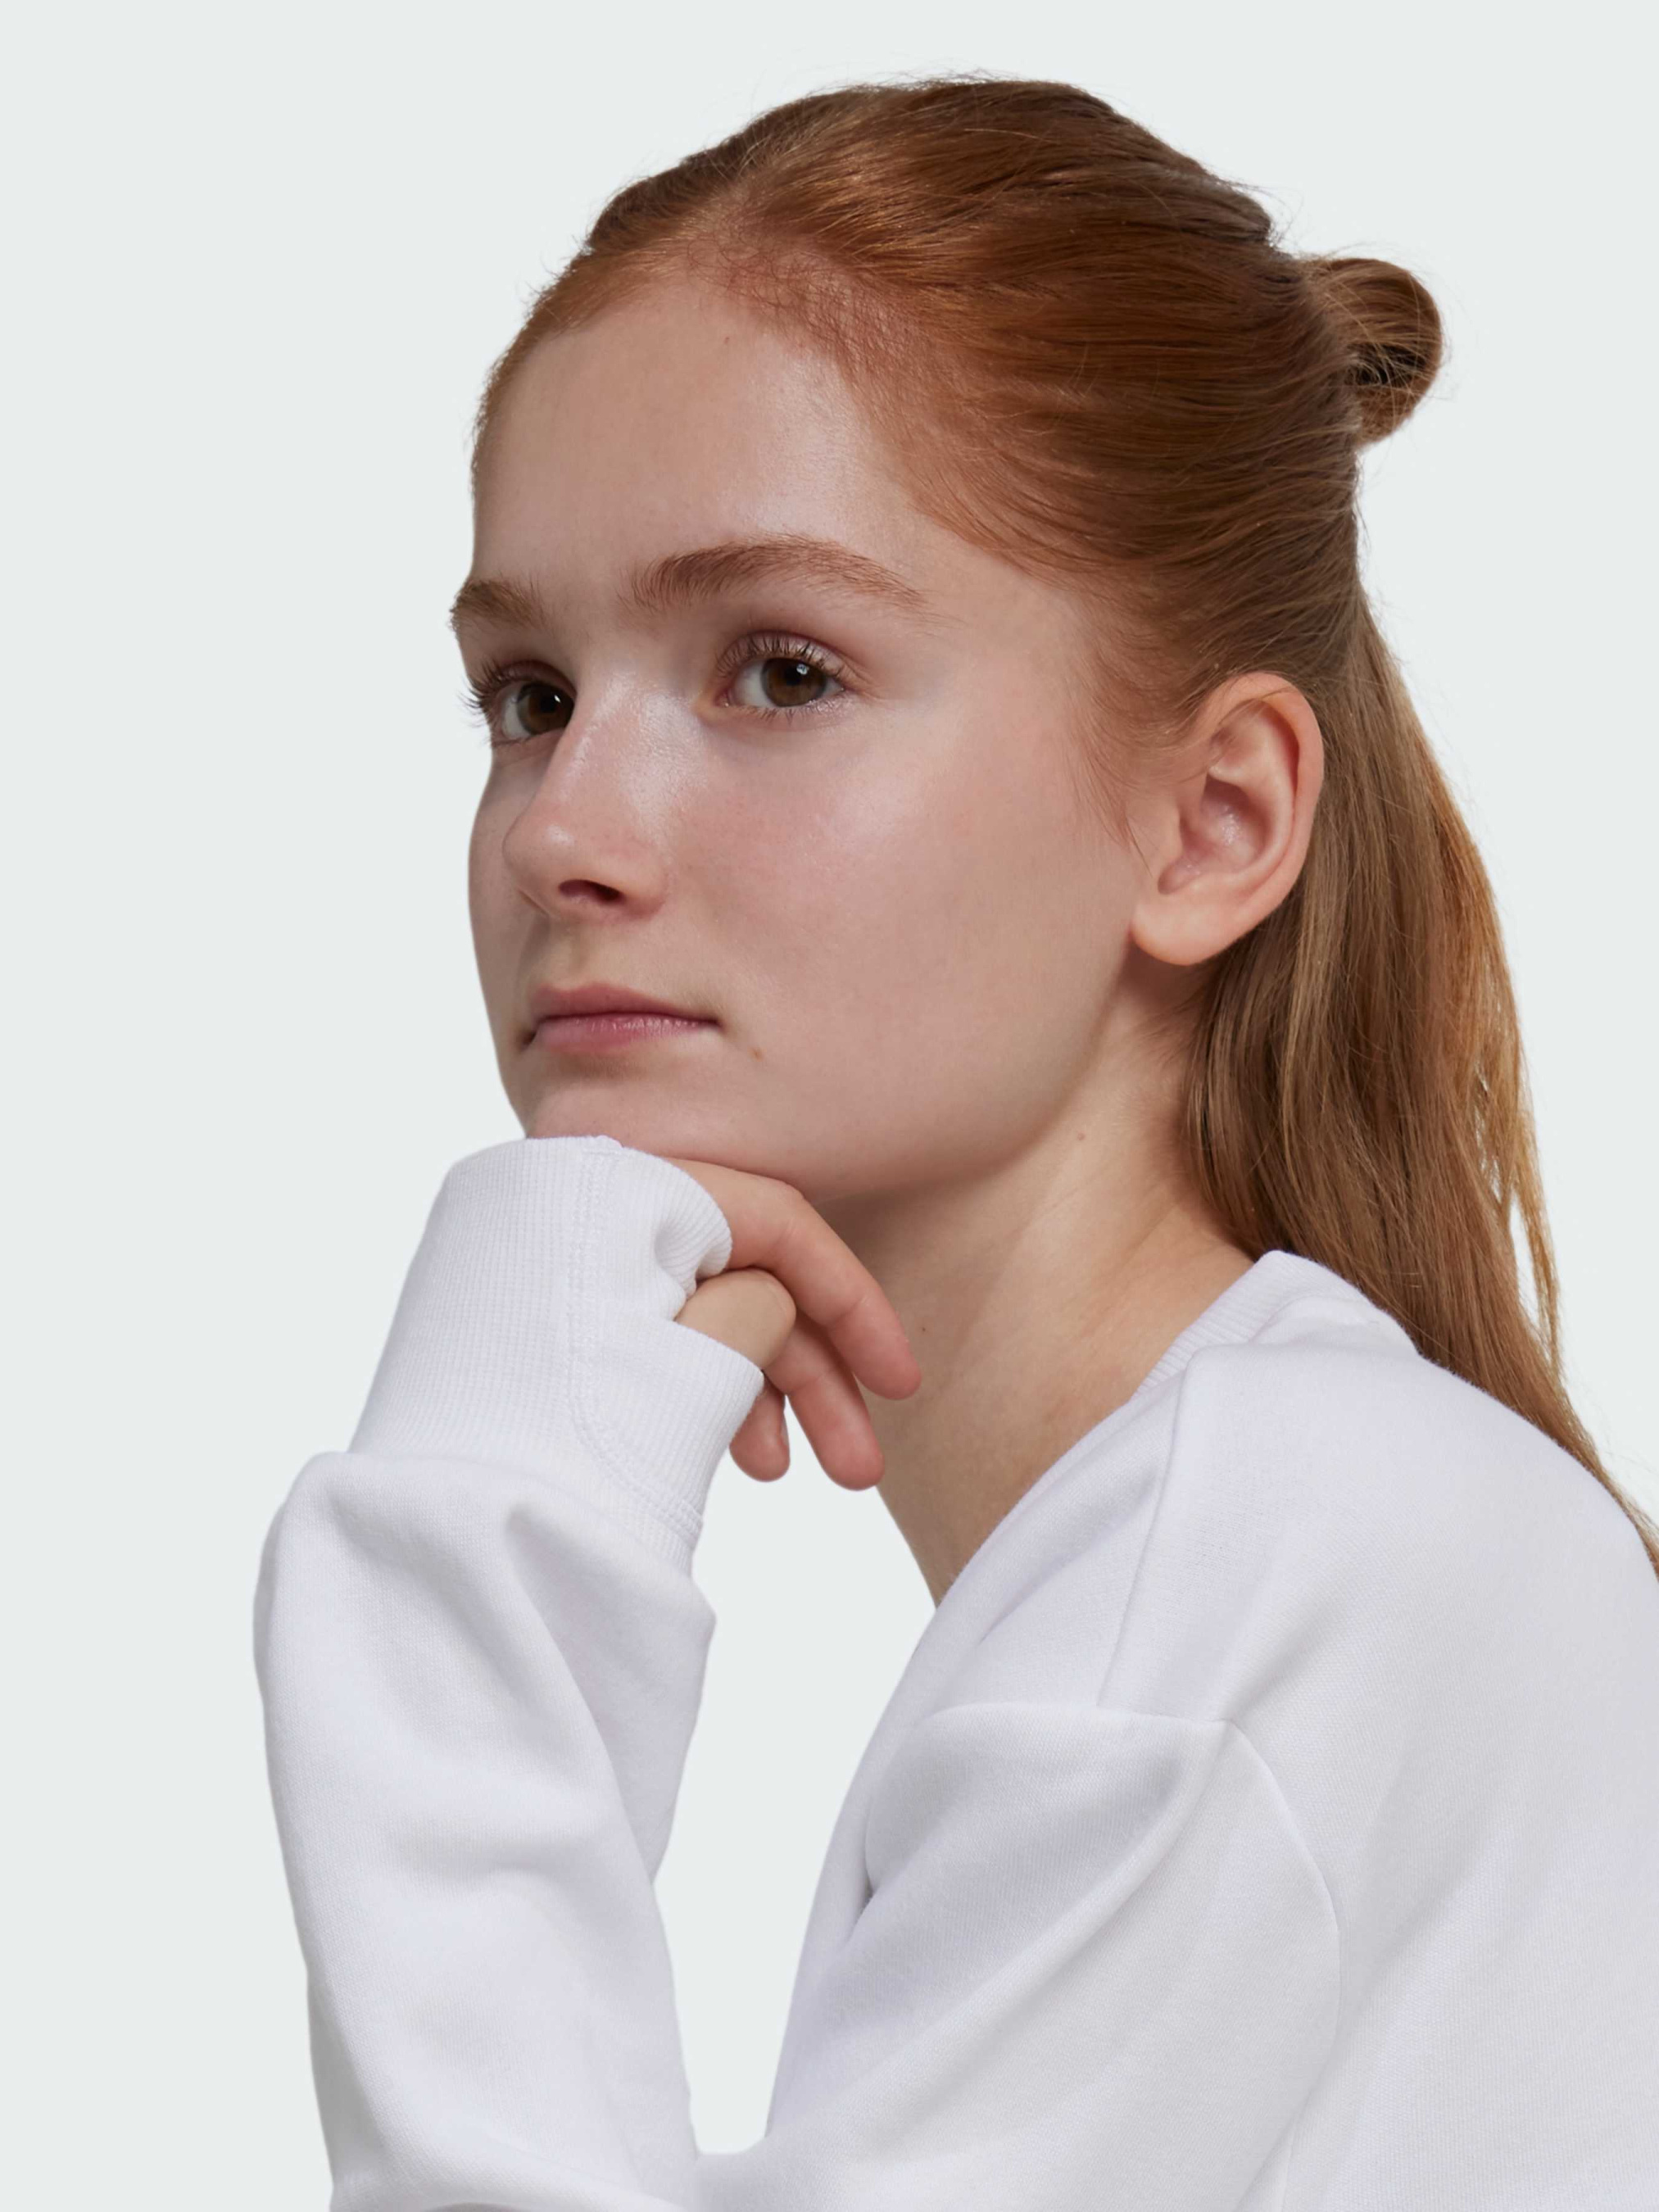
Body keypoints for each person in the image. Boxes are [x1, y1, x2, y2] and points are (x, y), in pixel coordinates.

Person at [252, 73, 1659, 2211]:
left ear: (1211, 824)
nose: (560, 833)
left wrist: (471, 1533)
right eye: (529, 694)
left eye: (780, 672)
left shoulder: (1257, 1571)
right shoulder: (1255, 1541)